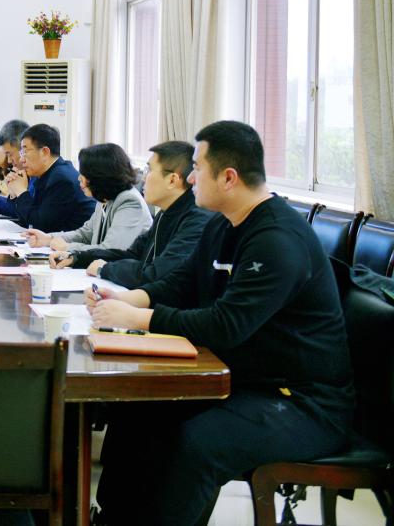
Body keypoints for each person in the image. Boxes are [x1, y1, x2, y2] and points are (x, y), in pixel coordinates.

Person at [87, 121, 354, 525]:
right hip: (245, 380)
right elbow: (181, 283)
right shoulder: (223, 223)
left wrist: (139, 318)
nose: (191, 177)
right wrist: (126, 299)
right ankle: (113, 517)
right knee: (137, 408)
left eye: (197, 167)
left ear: (228, 177)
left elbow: (226, 325)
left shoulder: (277, 239)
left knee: (198, 443)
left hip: (302, 402)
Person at [54, 141, 213, 287]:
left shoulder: (196, 219)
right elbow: (132, 254)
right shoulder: (166, 213)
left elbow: (157, 273)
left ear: (172, 180)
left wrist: (105, 269)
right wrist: (77, 257)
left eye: (149, 170)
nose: (143, 178)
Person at [23, 143, 151, 255]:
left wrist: (67, 248)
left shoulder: (129, 202)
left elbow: (111, 250)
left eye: (84, 173)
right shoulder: (105, 198)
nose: (79, 178)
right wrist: (49, 239)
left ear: (99, 176)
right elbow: (85, 234)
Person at [0, 123, 94, 231]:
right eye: (21, 153)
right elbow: (26, 215)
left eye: (25, 152)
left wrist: (21, 191)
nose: (22, 159)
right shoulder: (44, 174)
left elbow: (38, 224)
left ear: (45, 152)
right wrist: (14, 193)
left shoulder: (61, 179)